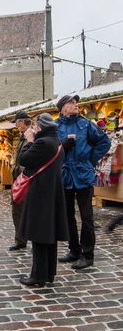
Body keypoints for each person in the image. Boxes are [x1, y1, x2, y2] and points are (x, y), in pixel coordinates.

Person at [56, 94, 111, 270]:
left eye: (76, 102)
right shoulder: (56, 126)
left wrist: (90, 160)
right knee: (67, 215)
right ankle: (74, 250)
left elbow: (104, 141)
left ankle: (88, 254)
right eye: (71, 103)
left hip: (82, 175)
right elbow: (48, 149)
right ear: (63, 108)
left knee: (86, 216)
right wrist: (61, 147)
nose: (76, 105)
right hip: (65, 176)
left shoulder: (86, 124)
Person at [18, 113, 68, 287]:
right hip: (53, 193)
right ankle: (49, 273)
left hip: (40, 193)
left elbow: (23, 159)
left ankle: (38, 275)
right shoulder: (57, 142)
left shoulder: (42, 142)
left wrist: (30, 140)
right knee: (49, 235)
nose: (34, 129)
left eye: (36, 126)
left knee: (38, 235)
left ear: (41, 127)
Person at [9, 111, 32, 251]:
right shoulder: (21, 137)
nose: (16, 126)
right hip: (18, 180)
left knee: (29, 210)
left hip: (27, 179)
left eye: (17, 123)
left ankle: (32, 238)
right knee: (17, 209)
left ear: (21, 122)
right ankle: (20, 239)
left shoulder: (32, 137)